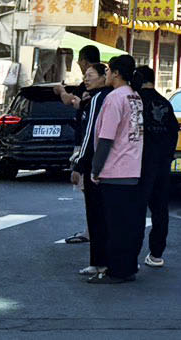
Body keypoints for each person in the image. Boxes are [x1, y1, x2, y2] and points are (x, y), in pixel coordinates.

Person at [88, 54, 145, 283]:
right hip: (132, 168)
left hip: (114, 169)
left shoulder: (114, 98)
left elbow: (106, 137)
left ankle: (116, 271)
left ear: (117, 73)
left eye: (109, 70)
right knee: (127, 224)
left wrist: (95, 168)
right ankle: (128, 267)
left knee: (113, 226)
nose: (107, 74)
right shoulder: (135, 97)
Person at [131, 65, 177, 268]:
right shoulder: (165, 103)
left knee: (137, 210)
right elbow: (174, 132)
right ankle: (156, 254)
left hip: (139, 162)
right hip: (162, 163)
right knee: (160, 210)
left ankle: (132, 254)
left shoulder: (136, 101)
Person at [71, 61, 112, 275]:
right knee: (109, 217)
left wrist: (80, 164)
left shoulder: (98, 99)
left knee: (96, 216)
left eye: (90, 74)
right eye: (85, 75)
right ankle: (110, 260)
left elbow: (90, 136)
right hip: (116, 166)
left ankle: (98, 261)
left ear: (105, 76)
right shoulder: (119, 97)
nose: (86, 79)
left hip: (97, 165)